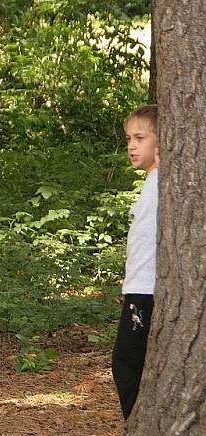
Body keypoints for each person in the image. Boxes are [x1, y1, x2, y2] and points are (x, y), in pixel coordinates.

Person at [112, 104, 159, 420]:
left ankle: (137, 425)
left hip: (147, 291)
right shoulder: (153, 182)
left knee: (125, 362)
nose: (131, 145)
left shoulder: (163, 184)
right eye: (129, 137)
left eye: (140, 137)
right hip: (139, 287)